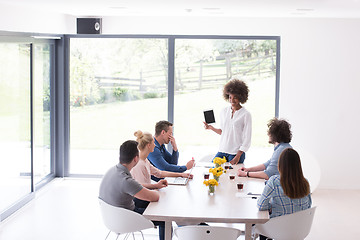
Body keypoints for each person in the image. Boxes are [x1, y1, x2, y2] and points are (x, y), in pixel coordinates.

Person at [98, 140, 165, 240]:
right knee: (164, 219)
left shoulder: (112, 170)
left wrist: (155, 185)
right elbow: (155, 197)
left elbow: (135, 187)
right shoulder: (126, 181)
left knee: (144, 201)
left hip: (111, 216)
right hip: (126, 219)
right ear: (135, 158)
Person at [256, 148, 312, 240]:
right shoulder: (305, 182)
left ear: (280, 165)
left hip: (279, 230)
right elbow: (308, 206)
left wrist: (271, 207)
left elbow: (261, 205)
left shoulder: (274, 181)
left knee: (260, 224)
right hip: (299, 230)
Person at [203, 79, 252, 165]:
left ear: (241, 97)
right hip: (222, 151)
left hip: (236, 153)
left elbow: (247, 139)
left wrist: (238, 156)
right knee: (213, 169)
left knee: (231, 176)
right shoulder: (224, 111)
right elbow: (222, 131)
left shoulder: (246, 114)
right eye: (230, 97)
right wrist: (211, 128)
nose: (232, 100)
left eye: (235, 98)